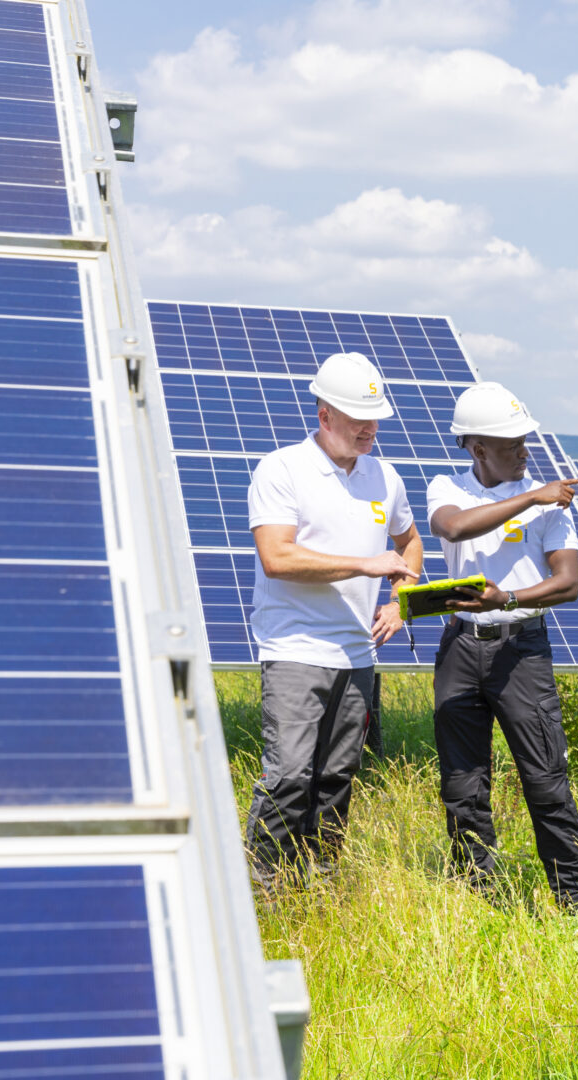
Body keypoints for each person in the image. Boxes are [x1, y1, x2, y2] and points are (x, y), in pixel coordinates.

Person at [244, 351, 424, 884]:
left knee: (337, 777)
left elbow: (410, 543)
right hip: (296, 650)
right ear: (325, 415)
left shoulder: (385, 477)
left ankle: (320, 883)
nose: (370, 429)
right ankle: (264, 888)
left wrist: (400, 600)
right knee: (289, 776)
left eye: (375, 419)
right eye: (358, 419)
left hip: (358, 655)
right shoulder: (282, 469)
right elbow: (277, 557)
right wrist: (365, 564)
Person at [426, 381, 578, 908]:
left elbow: (567, 584)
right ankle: (478, 894)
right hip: (459, 650)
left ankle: (576, 898)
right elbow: (454, 529)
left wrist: (508, 599)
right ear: (478, 449)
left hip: (521, 653)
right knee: (463, 782)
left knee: (545, 778)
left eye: (525, 442)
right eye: (512, 445)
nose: (525, 452)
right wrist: (529, 498)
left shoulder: (551, 507)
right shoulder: (448, 488)